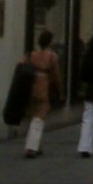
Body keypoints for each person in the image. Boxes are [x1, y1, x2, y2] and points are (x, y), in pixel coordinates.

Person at [23, 30, 62, 158]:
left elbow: (21, 67)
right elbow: (56, 76)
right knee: (39, 119)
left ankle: (37, 145)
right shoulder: (51, 56)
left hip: (30, 88)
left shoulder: (31, 55)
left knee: (32, 117)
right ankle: (31, 147)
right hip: (43, 87)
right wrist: (59, 91)